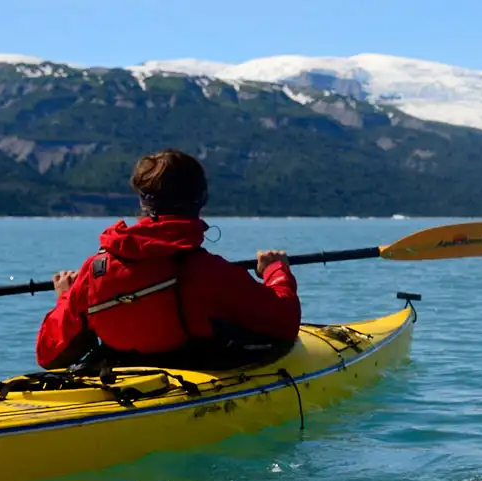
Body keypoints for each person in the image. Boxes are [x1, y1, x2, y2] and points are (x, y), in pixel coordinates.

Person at [35, 149, 300, 371]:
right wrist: (276, 272)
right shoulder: (209, 271)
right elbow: (285, 323)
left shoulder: (94, 271)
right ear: (200, 200)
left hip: (124, 379)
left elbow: (48, 354)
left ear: (143, 202)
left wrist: (66, 299)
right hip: (190, 377)